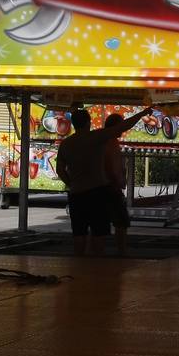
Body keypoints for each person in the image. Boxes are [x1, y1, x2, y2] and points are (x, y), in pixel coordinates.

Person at [56, 107, 150, 255]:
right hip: (97, 192)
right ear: (88, 122)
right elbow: (123, 126)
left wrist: (71, 183)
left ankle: (79, 264)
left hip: (76, 194)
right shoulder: (97, 137)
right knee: (98, 232)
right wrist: (143, 113)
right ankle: (97, 266)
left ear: (73, 123)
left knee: (79, 233)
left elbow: (60, 170)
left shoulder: (66, 144)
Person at [102, 113, 131, 255]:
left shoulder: (106, 141)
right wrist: (116, 183)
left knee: (101, 222)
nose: (123, 129)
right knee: (121, 221)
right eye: (122, 126)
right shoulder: (111, 143)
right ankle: (122, 251)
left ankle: (95, 251)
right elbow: (110, 167)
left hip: (105, 186)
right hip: (111, 187)